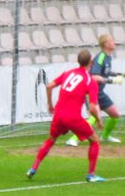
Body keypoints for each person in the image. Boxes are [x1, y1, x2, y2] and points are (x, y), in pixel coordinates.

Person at [28, 49, 104, 182]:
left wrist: (50, 105)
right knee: (95, 140)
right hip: (73, 117)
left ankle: (33, 168)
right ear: (91, 62)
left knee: (51, 140)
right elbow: (92, 107)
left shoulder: (68, 73)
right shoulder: (89, 81)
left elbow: (49, 86)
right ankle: (91, 175)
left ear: (78, 61)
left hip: (58, 115)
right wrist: (98, 120)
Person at [67, 33, 125, 146]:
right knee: (93, 117)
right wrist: (113, 81)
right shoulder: (101, 57)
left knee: (115, 114)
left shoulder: (108, 57)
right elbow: (94, 76)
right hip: (91, 91)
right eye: (111, 40)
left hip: (99, 92)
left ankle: (105, 136)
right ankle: (73, 139)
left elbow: (106, 72)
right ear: (106, 44)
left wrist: (121, 74)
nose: (114, 42)